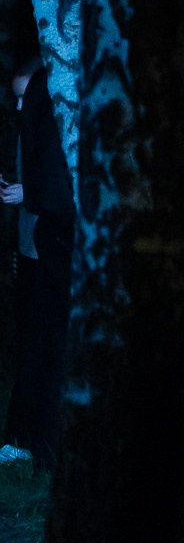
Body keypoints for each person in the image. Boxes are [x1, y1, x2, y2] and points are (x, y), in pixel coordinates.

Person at [1, 51, 73, 466]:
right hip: (37, 245)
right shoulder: (34, 128)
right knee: (38, 338)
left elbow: (58, 187)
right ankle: (28, 437)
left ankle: (37, 439)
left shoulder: (56, 125)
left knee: (48, 341)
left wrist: (30, 193)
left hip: (52, 245)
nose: (19, 107)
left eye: (24, 97)